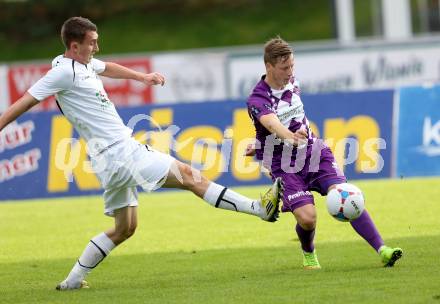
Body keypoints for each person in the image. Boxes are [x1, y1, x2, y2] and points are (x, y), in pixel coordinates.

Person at [0, 17, 284, 290]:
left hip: (108, 159)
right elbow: (25, 101)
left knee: (125, 228)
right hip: (120, 152)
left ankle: (72, 280)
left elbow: (107, 67)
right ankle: (258, 209)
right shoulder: (62, 72)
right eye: (92, 43)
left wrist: (142, 77)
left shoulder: (82, 63)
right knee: (189, 175)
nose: (96, 48)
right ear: (74, 46)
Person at [245, 36, 402, 269]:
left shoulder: (292, 83)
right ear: (269, 66)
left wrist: (274, 142)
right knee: (308, 219)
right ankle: (308, 252)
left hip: (314, 152)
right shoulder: (258, 98)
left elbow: (294, 118)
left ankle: (383, 249)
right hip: (284, 165)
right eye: (284, 67)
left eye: (292, 66)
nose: (290, 72)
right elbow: (272, 125)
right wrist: (288, 139)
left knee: (346, 195)